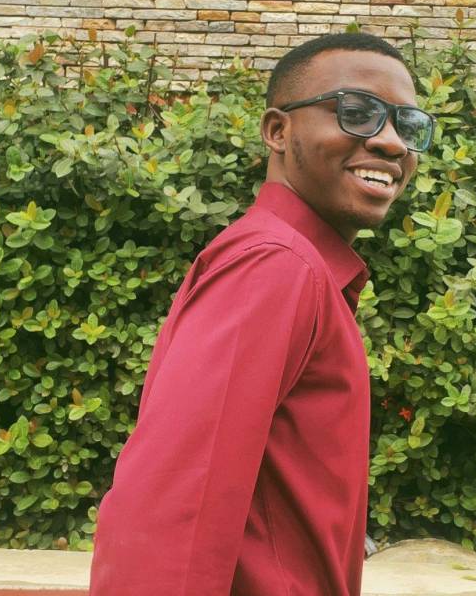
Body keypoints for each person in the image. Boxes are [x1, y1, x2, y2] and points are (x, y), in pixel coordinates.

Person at [89, 32, 435, 595]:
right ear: (278, 130)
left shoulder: (299, 267)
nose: (392, 143)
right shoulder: (276, 265)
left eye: (408, 124)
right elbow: (174, 501)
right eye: (357, 113)